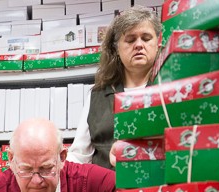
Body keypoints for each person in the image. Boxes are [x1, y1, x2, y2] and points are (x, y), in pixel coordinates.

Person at [68, 6, 162, 168]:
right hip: (107, 191)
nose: (139, 45)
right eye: (130, 40)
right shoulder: (97, 95)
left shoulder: (172, 90)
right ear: (116, 48)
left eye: (146, 38)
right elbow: (79, 156)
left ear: (158, 43)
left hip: (159, 189)